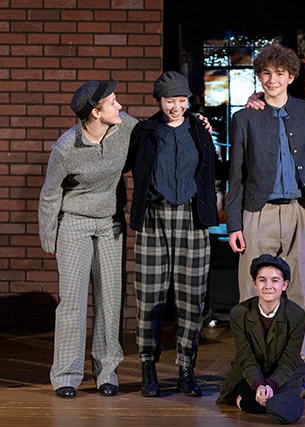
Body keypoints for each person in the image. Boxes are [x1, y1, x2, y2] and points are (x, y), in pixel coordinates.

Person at [225, 45, 305, 399]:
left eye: (280, 74)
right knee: (251, 291)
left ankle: (297, 370)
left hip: (302, 211)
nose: (273, 80)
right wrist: (234, 223)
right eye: (266, 74)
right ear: (259, 77)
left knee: (300, 292)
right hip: (257, 212)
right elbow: (236, 176)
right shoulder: (245, 117)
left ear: (291, 76)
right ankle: (251, 371)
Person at [39, 80, 137, 398]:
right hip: (74, 223)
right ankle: (66, 376)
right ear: (95, 112)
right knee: (73, 301)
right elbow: (50, 193)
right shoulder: (66, 147)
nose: (119, 106)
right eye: (112, 102)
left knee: (110, 299)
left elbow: (159, 130)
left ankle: (107, 373)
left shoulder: (126, 128)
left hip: (110, 224)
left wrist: (197, 119)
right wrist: (48, 235)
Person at [126, 71, 219, 397]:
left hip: (192, 219)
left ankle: (186, 371)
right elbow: (125, 164)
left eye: (182, 100)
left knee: (191, 300)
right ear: (159, 100)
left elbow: (212, 168)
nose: (176, 107)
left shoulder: (199, 129)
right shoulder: (145, 131)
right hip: (153, 218)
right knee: (149, 298)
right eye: (169, 101)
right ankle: (148, 370)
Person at [216, 254, 305, 425]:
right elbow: (246, 357)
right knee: (252, 403)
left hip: (283, 370)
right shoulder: (239, 313)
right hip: (252, 370)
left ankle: (301, 388)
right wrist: (258, 384)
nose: (268, 286)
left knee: (285, 408)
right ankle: (271, 395)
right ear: (254, 283)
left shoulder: (297, 315)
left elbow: (289, 361)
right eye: (262, 280)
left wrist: (271, 384)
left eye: (275, 280)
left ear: (284, 285)